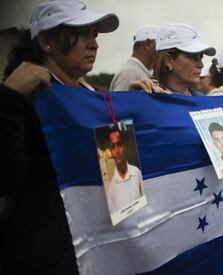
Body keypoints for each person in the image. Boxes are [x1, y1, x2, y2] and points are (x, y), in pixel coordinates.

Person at [0, 0, 119, 273]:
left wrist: (139, 104)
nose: (94, 44)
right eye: (82, 33)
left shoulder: (94, 96)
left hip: (99, 248)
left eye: (95, 35)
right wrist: (8, 100)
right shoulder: (22, 98)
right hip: (47, 257)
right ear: (46, 41)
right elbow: (5, 178)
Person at [148, 23, 215, 96]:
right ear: (169, 60)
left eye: (201, 57)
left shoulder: (201, 98)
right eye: (192, 56)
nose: (201, 65)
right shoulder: (148, 101)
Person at [110, 25, 160, 91]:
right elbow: (120, 101)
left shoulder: (135, 72)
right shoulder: (129, 72)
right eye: (159, 44)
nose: (162, 49)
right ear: (148, 44)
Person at [107, 127, 143, 214]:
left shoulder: (137, 173)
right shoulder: (111, 189)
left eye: (119, 144)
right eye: (113, 146)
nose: (117, 151)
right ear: (111, 152)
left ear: (125, 146)